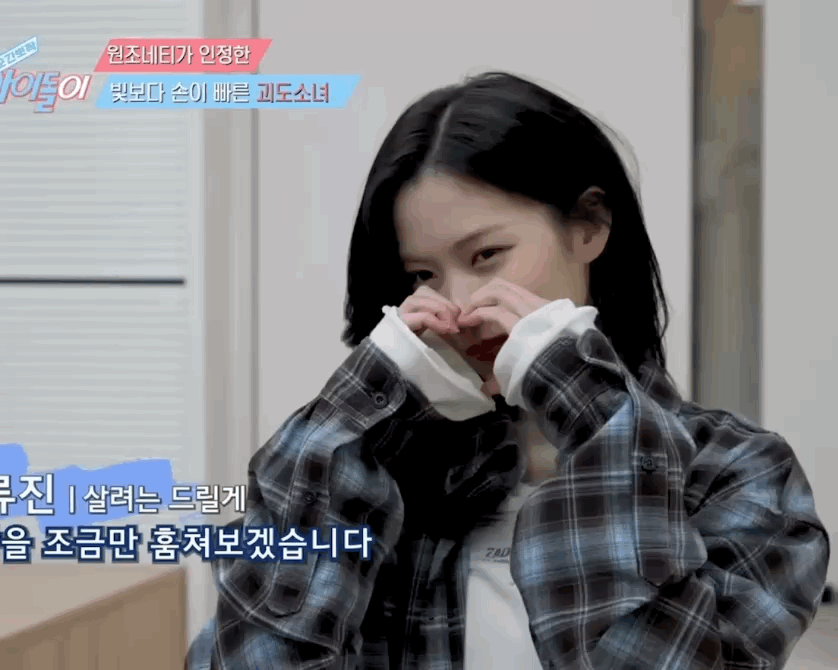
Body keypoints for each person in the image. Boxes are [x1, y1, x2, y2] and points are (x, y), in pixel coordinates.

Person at [185, 72, 829, 669]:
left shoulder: (740, 475)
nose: (459, 307)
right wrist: (350, 414)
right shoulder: (381, 477)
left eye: (487, 255)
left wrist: (589, 405)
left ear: (590, 226)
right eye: (423, 274)